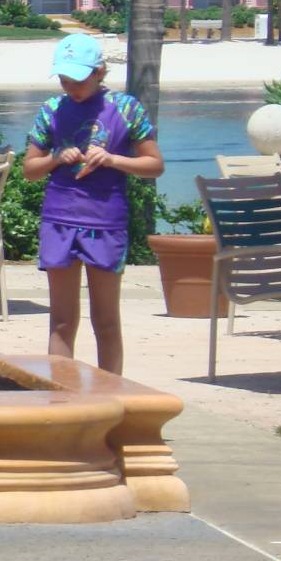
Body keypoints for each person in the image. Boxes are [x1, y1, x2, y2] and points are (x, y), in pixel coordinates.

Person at [22, 33, 164, 375]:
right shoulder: (52, 110)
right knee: (61, 321)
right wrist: (56, 157)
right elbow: (29, 170)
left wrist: (115, 160)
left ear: (100, 72)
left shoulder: (126, 108)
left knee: (106, 320)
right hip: (59, 217)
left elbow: (154, 165)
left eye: (79, 79)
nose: (72, 87)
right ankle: (61, 400)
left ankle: (112, 398)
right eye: (65, 79)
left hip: (105, 220)